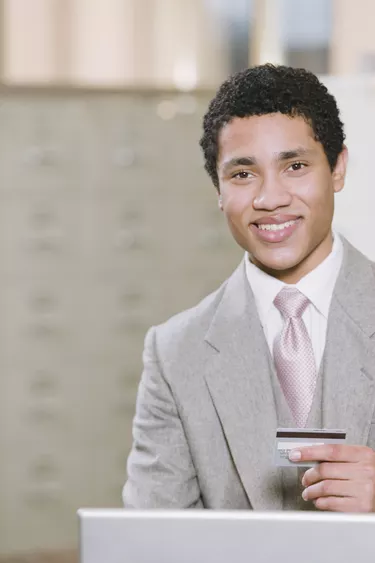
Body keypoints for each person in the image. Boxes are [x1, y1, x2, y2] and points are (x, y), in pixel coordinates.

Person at [123, 64, 375, 512]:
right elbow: (152, 544)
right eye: (243, 174)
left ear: (337, 169)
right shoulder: (174, 354)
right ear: (218, 189)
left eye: (295, 166)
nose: (270, 198)